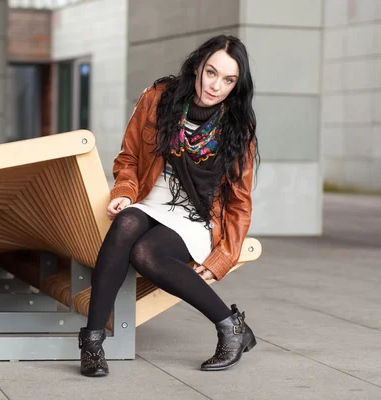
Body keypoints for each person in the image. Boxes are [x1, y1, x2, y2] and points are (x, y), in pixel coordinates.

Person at [77, 34, 260, 377]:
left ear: (237, 85)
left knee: (145, 253)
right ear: (197, 67)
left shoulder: (237, 126)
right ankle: (92, 342)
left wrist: (224, 256)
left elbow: (239, 201)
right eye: (211, 73)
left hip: (198, 217)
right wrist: (125, 192)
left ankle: (230, 327)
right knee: (126, 222)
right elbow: (129, 157)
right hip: (150, 199)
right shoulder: (159, 98)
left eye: (228, 80)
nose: (216, 86)